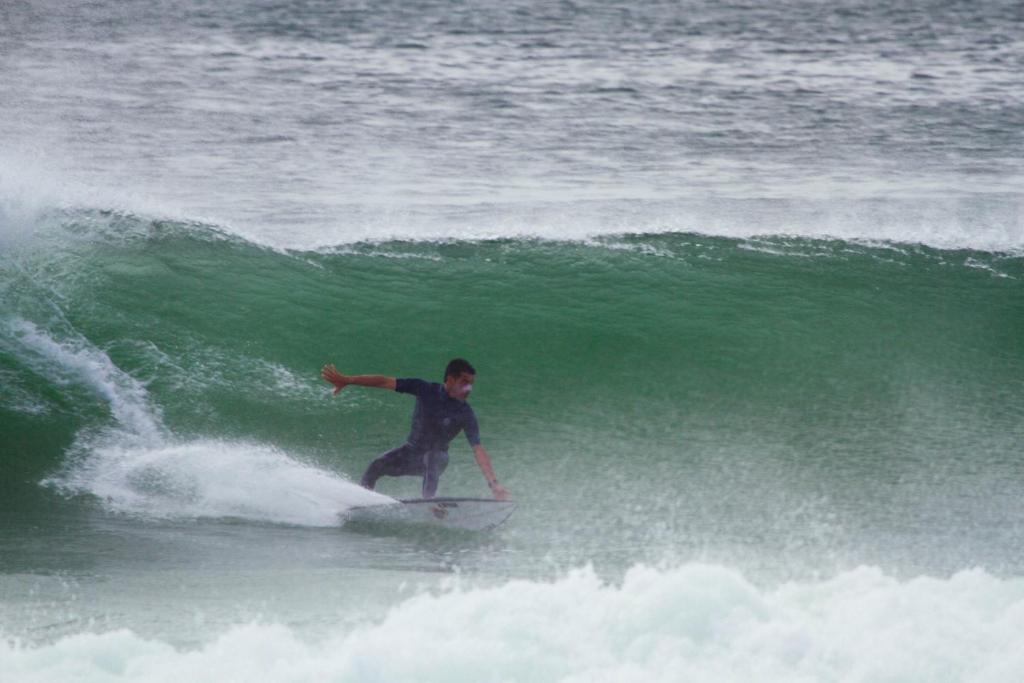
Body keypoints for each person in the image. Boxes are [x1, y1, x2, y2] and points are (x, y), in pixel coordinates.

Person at [321, 358, 509, 501]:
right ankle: (361, 503)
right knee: (376, 465)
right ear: (451, 379)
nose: (469, 388)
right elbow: (384, 382)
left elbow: (478, 449)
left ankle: (428, 503)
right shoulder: (425, 389)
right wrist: (348, 380)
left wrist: (494, 484)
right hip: (410, 453)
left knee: (433, 457)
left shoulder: (465, 413)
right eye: (464, 382)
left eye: (471, 384)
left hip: (438, 458)